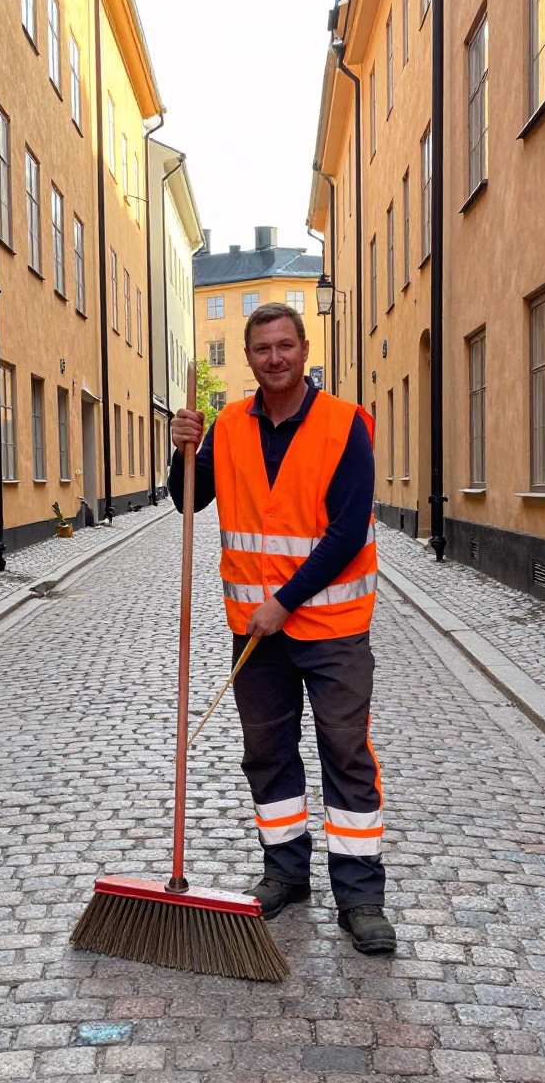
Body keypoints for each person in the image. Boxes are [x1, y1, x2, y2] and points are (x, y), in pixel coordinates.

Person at [169, 301, 395, 954]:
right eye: (263, 348)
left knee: (346, 756)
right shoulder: (228, 426)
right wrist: (181, 451)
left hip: (333, 628)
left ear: (303, 350)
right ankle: (285, 872)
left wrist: (286, 601)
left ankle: (360, 896)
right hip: (255, 634)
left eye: (285, 346)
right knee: (266, 755)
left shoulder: (344, 425)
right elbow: (188, 499)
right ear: (248, 358)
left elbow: (348, 531)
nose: (275, 358)